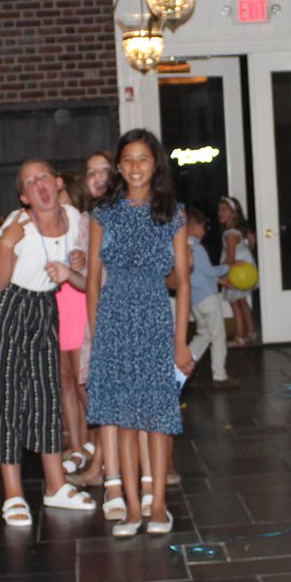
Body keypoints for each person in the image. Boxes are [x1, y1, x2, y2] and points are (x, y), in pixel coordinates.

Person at [0, 161, 97, 524]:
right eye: (30, 181)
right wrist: (7, 244)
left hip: (43, 307)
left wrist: (78, 260)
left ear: (58, 183)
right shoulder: (18, 223)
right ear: (24, 196)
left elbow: (80, 269)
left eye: (44, 177)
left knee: (46, 396)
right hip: (8, 307)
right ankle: (13, 495)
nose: (39, 184)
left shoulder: (74, 217)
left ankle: (55, 487)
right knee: (6, 398)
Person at [87, 129, 194, 538]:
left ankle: (159, 504)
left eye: (143, 159)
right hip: (114, 318)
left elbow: (182, 281)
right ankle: (132, 507)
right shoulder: (103, 213)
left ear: (156, 165)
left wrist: (180, 342)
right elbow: (92, 280)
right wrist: (97, 335)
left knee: (157, 416)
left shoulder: (173, 214)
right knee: (124, 418)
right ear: (119, 166)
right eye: (128, 159)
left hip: (154, 317)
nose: (135, 167)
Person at [62, 152, 114, 484]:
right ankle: (102, 466)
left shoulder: (133, 213)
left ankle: (152, 474)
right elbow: (89, 278)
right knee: (98, 392)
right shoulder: (88, 220)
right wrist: (74, 267)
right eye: (90, 172)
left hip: (131, 311)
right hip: (99, 313)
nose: (97, 178)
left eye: (104, 171)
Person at [183, 207, 237, 388]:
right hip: (208, 299)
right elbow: (209, 271)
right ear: (192, 227)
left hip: (195, 301)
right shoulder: (197, 248)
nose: (204, 231)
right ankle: (220, 376)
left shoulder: (182, 248)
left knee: (203, 335)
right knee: (218, 336)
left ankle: (181, 370)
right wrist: (228, 267)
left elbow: (198, 274)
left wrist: (220, 280)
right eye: (202, 227)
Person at [216, 195, 259, 346]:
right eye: (219, 210)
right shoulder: (239, 231)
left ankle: (240, 336)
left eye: (224, 210)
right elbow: (251, 244)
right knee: (243, 302)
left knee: (235, 304)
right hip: (243, 272)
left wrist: (218, 270)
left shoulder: (230, 234)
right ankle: (251, 333)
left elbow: (230, 258)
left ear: (234, 213)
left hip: (236, 273)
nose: (220, 213)